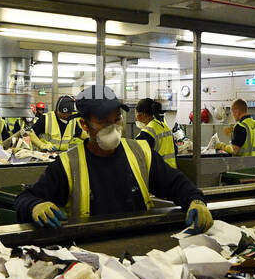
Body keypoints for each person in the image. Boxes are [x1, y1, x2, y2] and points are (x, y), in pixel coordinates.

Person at [14, 85, 214, 232]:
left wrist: (196, 200)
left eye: (116, 119)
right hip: (89, 251)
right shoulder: (68, 165)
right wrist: (35, 206)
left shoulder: (140, 152)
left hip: (139, 246)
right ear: (84, 125)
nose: (114, 127)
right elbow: (25, 198)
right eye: (103, 121)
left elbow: (177, 184)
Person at [135, 97, 177, 168]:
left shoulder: (147, 133)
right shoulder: (164, 126)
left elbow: (139, 158)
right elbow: (175, 150)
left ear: (143, 115)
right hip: (171, 172)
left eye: (136, 113)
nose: (136, 117)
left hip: (158, 174)